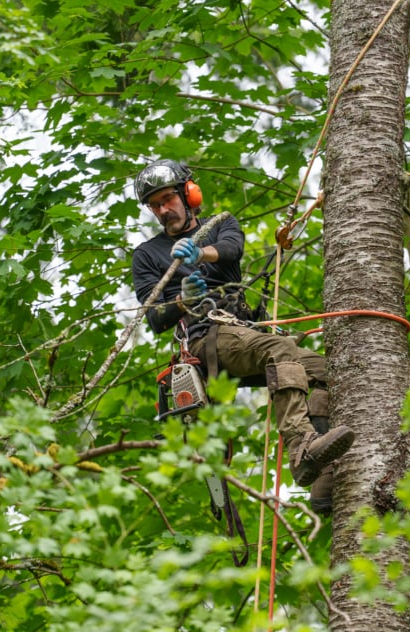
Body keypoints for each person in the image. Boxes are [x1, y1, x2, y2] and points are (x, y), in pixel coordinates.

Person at [130, 159, 354, 514]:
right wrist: (181, 301)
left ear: (189, 194)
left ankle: (324, 480)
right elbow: (153, 316)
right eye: (154, 205)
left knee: (330, 372)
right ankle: (301, 446)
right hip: (207, 339)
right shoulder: (146, 255)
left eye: (168, 199)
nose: (162, 210)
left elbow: (232, 248)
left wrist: (200, 251)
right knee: (281, 349)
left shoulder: (220, 224)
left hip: (243, 335)